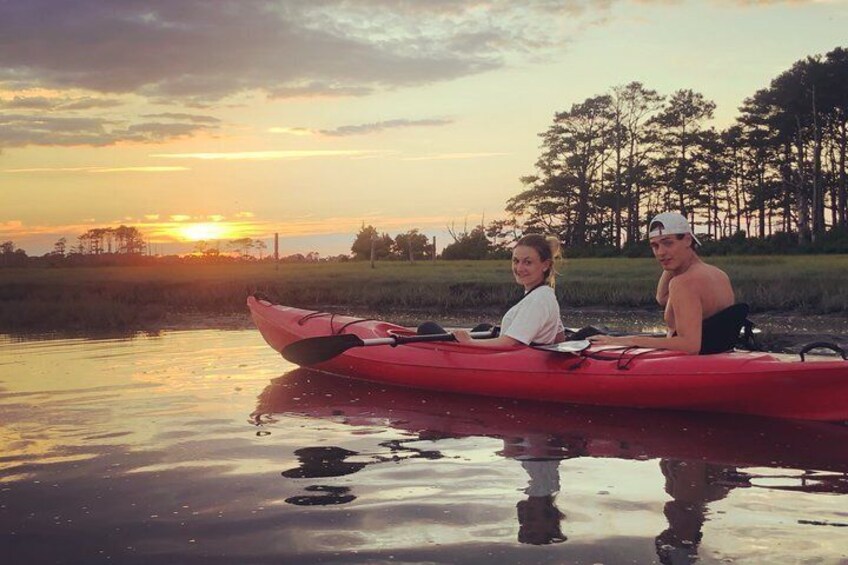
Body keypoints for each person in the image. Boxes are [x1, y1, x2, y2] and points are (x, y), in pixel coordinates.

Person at [589, 212, 736, 354]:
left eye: (668, 243)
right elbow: (662, 298)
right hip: (718, 352)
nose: (660, 252)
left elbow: (690, 346)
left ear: (687, 240)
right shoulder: (719, 274)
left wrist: (627, 341)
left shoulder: (684, 283)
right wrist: (672, 262)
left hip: (693, 365)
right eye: (655, 246)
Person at [452, 234, 566, 348]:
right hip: (522, 356)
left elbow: (510, 343)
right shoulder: (544, 295)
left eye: (528, 262)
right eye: (516, 261)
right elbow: (559, 337)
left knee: (433, 328)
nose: (519, 268)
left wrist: (469, 342)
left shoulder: (539, 299)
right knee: (483, 327)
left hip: (517, 359)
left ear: (546, 265)